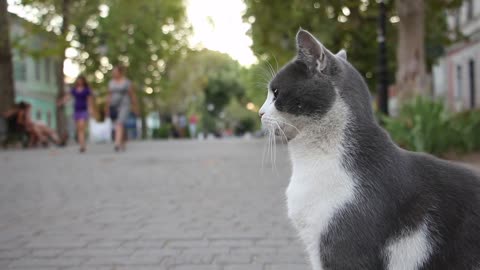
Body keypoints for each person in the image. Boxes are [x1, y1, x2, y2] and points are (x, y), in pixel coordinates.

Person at [105, 66, 139, 152]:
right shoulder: (111, 83)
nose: (114, 73)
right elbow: (109, 95)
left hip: (125, 105)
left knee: (119, 123)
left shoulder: (127, 82)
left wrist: (135, 107)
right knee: (120, 124)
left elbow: (132, 94)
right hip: (114, 105)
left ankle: (117, 143)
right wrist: (107, 107)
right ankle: (122, 141)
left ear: (120, 72)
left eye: (115, 72)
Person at [58, 75, 93, 152]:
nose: (80, 82)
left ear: (83, 81)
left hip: (84, 110)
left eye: (81, 80)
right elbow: (68, 97)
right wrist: (61, 102)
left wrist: (90, 109)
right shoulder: (74, 90)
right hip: (77, 111)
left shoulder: (86, 90)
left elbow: (89, 100)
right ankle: (81, 145)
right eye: (78, 80)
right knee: (79, 129)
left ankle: (82, 144)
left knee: (81, 127)